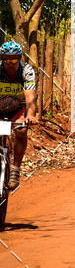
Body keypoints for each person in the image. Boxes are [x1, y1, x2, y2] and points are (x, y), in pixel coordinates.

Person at [0, 40, 37, 190]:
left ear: (20, 59)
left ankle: (15, 168)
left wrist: (31, 115)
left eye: (14, 59)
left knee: (21, 130)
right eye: (6, 59)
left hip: (18, 109)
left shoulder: (26, 71)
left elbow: (30, 97)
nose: (10, 63)